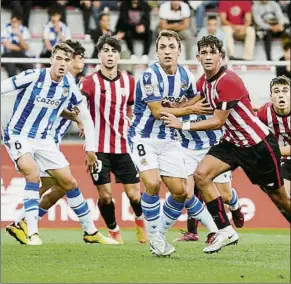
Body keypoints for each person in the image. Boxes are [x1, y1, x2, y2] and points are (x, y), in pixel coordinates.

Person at [161, 35, 291, 253]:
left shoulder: (228, 81)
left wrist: (180, 124)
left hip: (257, 146)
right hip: (232, 142)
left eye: (213, 52)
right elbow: (194, 102)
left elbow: (217, 121)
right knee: (201, 175)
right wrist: (174, 106)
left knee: (279, 197)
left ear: (221, 56)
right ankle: (226, 230)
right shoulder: (204, 81)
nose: (208, 57)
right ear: (198, 57)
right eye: (204, 52)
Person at [2, 42, 119, 246]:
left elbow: (87, 117)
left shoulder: (69, 86)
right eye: (59, 59)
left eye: (67, 60)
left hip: (45, 140)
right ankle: (32, 233)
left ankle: (90, 232)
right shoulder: (33, 76)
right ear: (51, 59)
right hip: (18, 135)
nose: (63, 63)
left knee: (69, 183)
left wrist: (90, 149)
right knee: (33, 174)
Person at [128, 30, 213, 256]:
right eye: (162, 47)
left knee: (180, 191)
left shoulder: (186, 76)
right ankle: (154, 236)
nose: (167, 51)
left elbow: (195, 97)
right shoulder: (150, 76)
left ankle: (158, 235)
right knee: (153, 184)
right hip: (143, 137)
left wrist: (196, 104)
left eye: (171, 47)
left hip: (170, 139)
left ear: (179, 51)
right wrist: (191, 109)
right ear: (156, 52)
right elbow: (158, 112)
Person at [80, 35, 148, 244]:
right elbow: (79, 106)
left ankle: (139, 221)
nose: (110, 55)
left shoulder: (129, 81)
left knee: (135, 194)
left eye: (114, 51)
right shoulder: (89, 81)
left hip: (124, 145)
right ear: (99, 54)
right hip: (97, 147)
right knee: (106, 195)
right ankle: (113, 230)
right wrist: (81, 123)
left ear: (119, 56)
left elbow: (134, 107)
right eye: (106, 51)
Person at [257, 76, 291, 194]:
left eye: (285, 90)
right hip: (281, 160)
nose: (281, 95)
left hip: (278, 152)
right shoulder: (263, 113)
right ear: (271, 97)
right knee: (283, 196)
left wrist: (272, 150)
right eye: (276, 91)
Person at [1, 11, 33, 77]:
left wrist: (19, 35)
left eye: (15, 22)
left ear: (20, 22)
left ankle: (25, 86)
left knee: (29, 66)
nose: (13, 24)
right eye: (12, 21)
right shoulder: (5, 29)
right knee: (11, 67)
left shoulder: (24, 30)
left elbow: (26, 47)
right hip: (7, 54)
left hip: (20, 54)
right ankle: (12, 86)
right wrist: (21, 48)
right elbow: (8, 46)